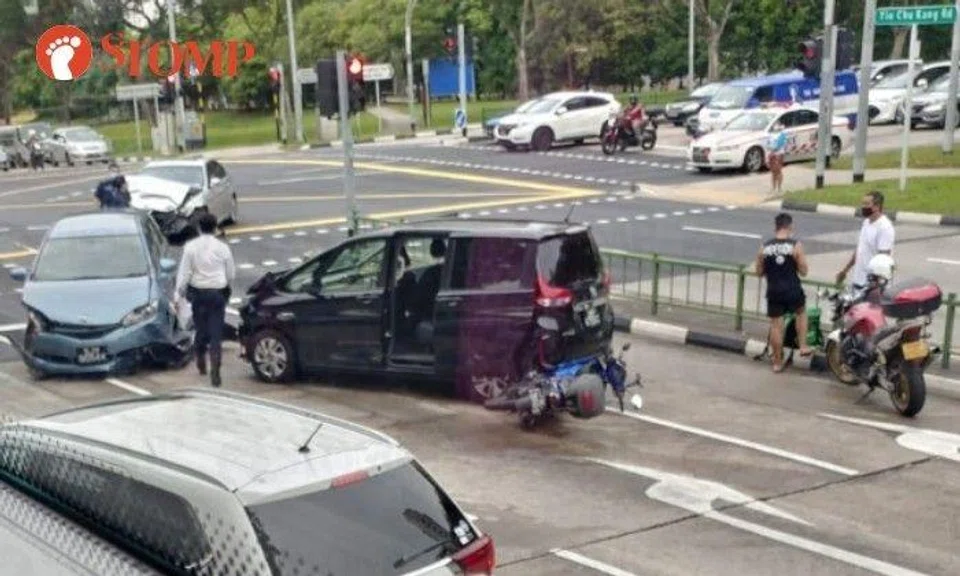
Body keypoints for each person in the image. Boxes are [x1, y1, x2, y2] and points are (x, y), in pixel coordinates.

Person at [175, 212, 235, 387]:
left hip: (199, 293)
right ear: (215, 227)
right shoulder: (223, 248)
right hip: (217, 293)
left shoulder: (191, 247)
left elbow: (184, 273)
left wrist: (179, 292)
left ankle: (201, 357)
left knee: (201, 329)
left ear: (199, 228)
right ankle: (216, 365)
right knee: (216, 331)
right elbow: (231, 273)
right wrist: (226, 285)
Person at [755, 212, 811, 372]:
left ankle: (777, 362)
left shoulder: (764, 247)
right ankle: (803, 346)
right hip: (793, 289)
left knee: (776, 326)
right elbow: (804, 270)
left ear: (776, 227)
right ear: (790, 226)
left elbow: (758, 272)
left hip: (773, 291)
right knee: (801, 313)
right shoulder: (795, 245)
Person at [836, 191, 895, 289]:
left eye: (867, 204)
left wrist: (875, 286)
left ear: (877, 206)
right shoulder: (866, 222)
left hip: (872, 286)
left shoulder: (885, 227)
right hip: (858, 280)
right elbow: (860, 250)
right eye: (863, 203)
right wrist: (845, 270)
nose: (863, 207)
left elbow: (884, 259)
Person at [767, 122, 787, 194]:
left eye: (777, 125)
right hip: (772, 154)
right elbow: (768, 143)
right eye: (775, 125)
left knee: (778, 171)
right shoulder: (771, 135)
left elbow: (781, 144)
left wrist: (774, 150)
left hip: (779, 154)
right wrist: (770, 151)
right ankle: (773, 188)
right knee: (773, 172)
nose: (775, 127)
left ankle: (779, 188)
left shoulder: (782, 134)